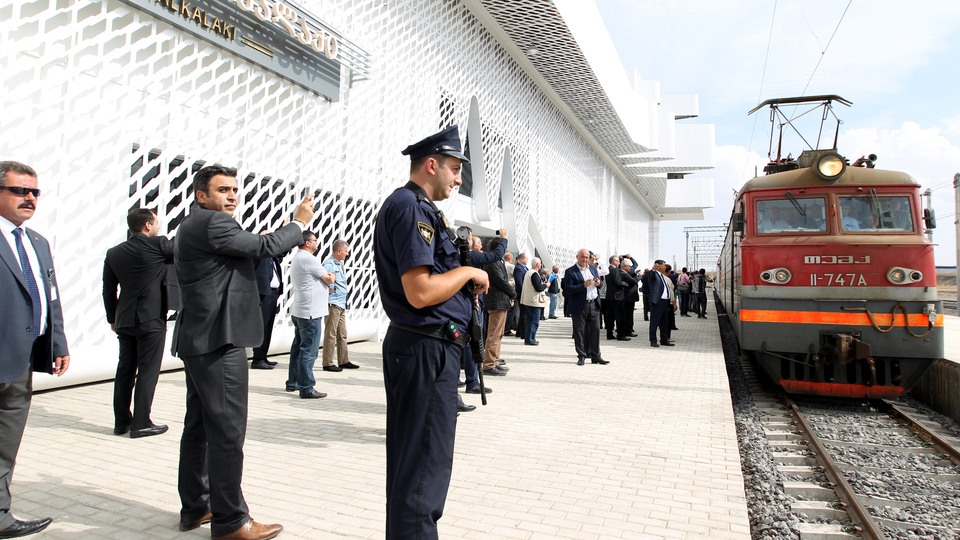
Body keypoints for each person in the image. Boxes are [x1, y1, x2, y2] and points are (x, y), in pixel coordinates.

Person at [172, 164, 313, 539]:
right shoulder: (213, 224)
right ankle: (232, 521)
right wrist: (297, 225)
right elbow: (264, 247)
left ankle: (196, 507)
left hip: (202, 339)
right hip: (220, 340)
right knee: (228, 430)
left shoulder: (198, 225)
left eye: (234, 189)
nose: (232, 195)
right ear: (202, 195)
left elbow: (252, 247)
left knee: (200, 427)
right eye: (223, 190)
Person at [373, 125, 489, 540]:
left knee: (417, 469)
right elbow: (420, 291)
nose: (459, 180)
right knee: (423, 470)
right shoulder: (411, 208)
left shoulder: (418, 208)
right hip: (424, 348)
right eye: (455, 169)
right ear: (432, 164)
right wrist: (468, 271)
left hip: (429, 348)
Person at [0, 161, 69, 539]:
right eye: (19, 190)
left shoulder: (36, 241)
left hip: (23, 360)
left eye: (34, 192)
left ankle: (0, 515)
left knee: (6, 444)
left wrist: (57, 343)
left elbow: (49, 296)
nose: (29, 198)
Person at [102, 208, 173, 438]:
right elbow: (186, 252)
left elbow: (108, 289)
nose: (159, 226)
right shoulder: (159, 245)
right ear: (147, 226)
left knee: (125, 369)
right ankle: (141, 422)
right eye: (157, 222)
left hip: (124, 318)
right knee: (148, 371)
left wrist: (112, 317)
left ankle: (121, 422)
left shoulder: (114, 252)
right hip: (150, 318)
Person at [287, 230, 335, 398]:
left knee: (297, 349)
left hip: (301, 310)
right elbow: (328, 278)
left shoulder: (297, 258)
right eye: (315, 240)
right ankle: (306, 387)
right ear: (307, 243)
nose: (317, 243)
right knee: (309, 351)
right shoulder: (309, 259)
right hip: (311, 313)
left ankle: (292, 382)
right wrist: (332, 276)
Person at [562, 248, 608, 366]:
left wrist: (599, 283)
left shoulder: (592, 268)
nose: (585, 260)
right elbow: (568, 289)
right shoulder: (570, 271)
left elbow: (600, 284)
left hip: (594, 304)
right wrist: (583, 285)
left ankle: (596, 355)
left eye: (587, 257)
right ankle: (582, 355)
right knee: (580, 331)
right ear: (577, 257)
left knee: (595, 331)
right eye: (583, 257)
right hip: (580, 305)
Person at [321, 239, 359, 372]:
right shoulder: (329, 264)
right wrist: (331, 289)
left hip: (341, 303)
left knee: (342, 334)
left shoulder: (339, 264)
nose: (347, 254)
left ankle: (343, 360)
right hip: (334, 303)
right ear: (339, 251)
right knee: (331, 333)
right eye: (346, 251)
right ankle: (328, 362)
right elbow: (327, 281)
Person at [482, 238, 515, 382]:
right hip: (496, 301)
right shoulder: (492, 262)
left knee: (499, 334)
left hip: (500, 301)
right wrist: (513, 293)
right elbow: (501, 281)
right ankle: (489, 364)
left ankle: (494, 361)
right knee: (494, 334)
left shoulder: (497, 261)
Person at [251, 252, 284, 370]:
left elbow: (283, 251)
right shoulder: (261, 256)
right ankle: (257, 358)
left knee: (269, 326)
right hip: (264, 293)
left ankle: (263, 355)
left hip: (273, 293)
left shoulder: (273, 258)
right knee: (263, 325)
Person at [520, 257, 548, 345]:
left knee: (531, 320)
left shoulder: (529, 272)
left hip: (530, 300)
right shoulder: (534, 274)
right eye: (540, 263)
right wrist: (546, 285)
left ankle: (530, 338)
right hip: (534, 301)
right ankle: (530, 339)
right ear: (537, 265)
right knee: (534, 321)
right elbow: (538, 287)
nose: (540, 265)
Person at [648, 260, 675, 347]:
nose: (665, 267)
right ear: (658, 266)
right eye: (663, 265)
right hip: (657, 303)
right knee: (654, 322)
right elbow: (651, 276)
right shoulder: (654, 274)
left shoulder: (663, 277)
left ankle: (664, 339)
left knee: (664, 323)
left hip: (665, 303)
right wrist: (653, 269)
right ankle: (653, 340)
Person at [603, 255, 621, 338]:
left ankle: (609, 334)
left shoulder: (608, 269)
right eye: (618, 261)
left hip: (609, 295)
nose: (619, 263)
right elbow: (617, 282)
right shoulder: (613, 270)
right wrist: (624, 284)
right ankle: (620, 334)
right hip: (615, 296)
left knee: (610, 316)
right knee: (618, 315)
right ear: (614, 261)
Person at [513, 253, 529, 340]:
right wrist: (525, 292)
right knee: (524, 313)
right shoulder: (519, 268)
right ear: (522, 259)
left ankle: (519, 332)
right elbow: (519, 282)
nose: (527, 261)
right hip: (522, 294)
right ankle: (523, 333)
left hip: (524, 293)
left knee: (523, 312)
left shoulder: (524, 268)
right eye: (526, 259)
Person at [502, 252, 517, 335]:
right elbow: (516, 277)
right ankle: (507, 329)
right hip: (510, 289)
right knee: (510, 310)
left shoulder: (501, 265)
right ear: (510, 258)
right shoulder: (511, 266)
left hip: (503, 289)